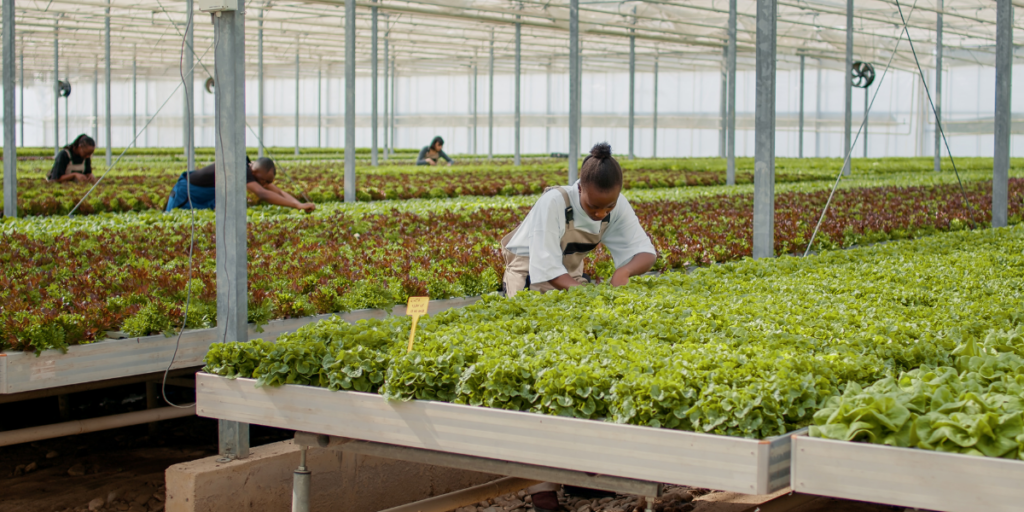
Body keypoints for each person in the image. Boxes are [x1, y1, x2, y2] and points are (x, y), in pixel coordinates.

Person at [501, 142, 657, 297]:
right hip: (528, 276)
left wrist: (624, 271)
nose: (601, 213)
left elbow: (646, 253)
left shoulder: (619, 205)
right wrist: (586, 293)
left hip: (569, 277)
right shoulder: (554, 202)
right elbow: (546, 268)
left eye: (609, 207)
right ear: (580, 188)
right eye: (593, 206)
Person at [165, 156, 315, 212]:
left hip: (204, 198)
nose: (265, 184)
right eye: (264, 180)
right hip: (186, 193)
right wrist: (297, 206)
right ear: (255, 172)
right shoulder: (242, 169)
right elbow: (262, 194)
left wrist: (299, 204)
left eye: (268, 182)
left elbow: (278, 192)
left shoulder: (253, 172)